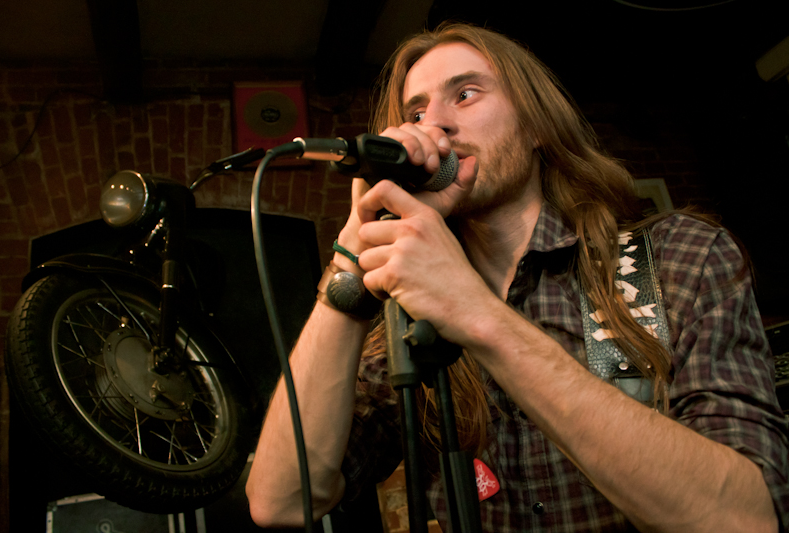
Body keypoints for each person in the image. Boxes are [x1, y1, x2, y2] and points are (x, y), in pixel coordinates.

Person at [247, 22, 789, 532]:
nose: (435, 124)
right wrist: (351, 264)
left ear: (534, 125)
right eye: (415, 113)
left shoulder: (680, 257)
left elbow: (745, 517)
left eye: (465, 94)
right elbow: (282, 501)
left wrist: (478, 313)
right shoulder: (405, 320)